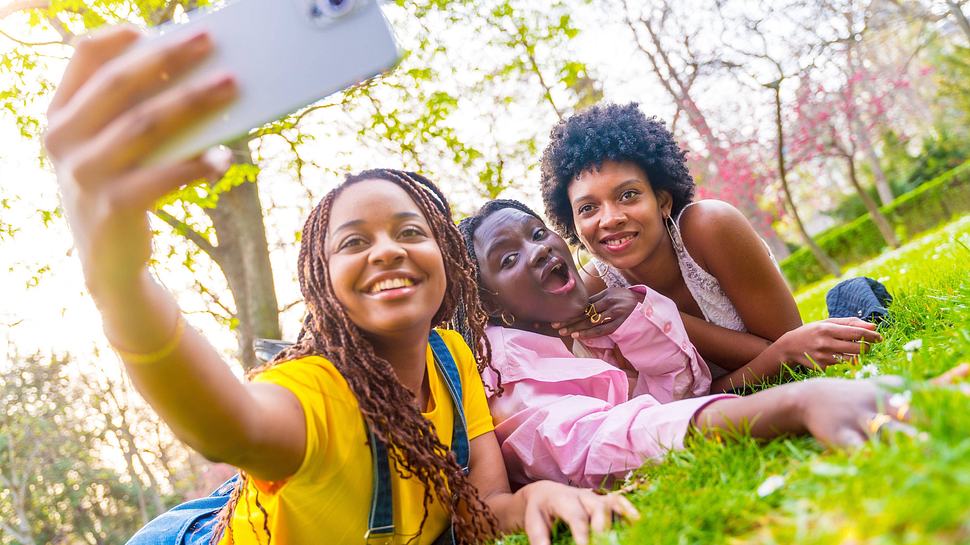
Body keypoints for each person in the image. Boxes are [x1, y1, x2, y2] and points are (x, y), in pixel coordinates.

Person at [44, 27, 637, 545]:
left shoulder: (453, 361)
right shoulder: (316, 393)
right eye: (354, 242)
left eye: (410, 231)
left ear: (448, 261)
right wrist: (118, 281)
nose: (387, 249)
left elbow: (484, 506)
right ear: (325, 286)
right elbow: (220, 424)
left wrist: (534, 501)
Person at [457, 199, 916, 488]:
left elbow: (683, 389)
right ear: (493, 307)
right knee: (847, 313)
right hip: (749, 379)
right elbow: (609, 439)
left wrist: (635, 320)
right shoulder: (510, 377)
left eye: (538, 233)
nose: (539, 249)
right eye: (509, 257)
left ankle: (853, 309)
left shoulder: (578, 324)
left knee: (851, 304)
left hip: (743, 368)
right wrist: (795, 402)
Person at [538, 102, 883, 391]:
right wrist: (777, 357)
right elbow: (667, 406)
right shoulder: (594, 295)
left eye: (628, 195)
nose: (610, 218)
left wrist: (653, 312)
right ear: (573, 225)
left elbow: (798, 354)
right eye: (588, 208)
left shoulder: (711, 227)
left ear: (662, 201)